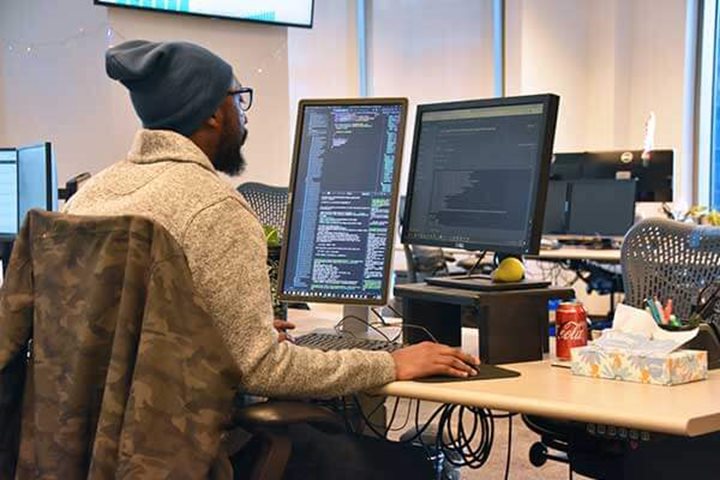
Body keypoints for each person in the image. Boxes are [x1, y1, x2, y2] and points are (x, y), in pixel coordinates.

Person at [64, 39, 479, 477]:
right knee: (415, 466)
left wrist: (227, 335)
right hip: (192, 449)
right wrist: (390, 362)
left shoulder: (89, 197)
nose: (244, 115)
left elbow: (130, 330)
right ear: (211, 112)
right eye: (238, 99)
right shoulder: (214, 207)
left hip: (86, 444)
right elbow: (262, 370)